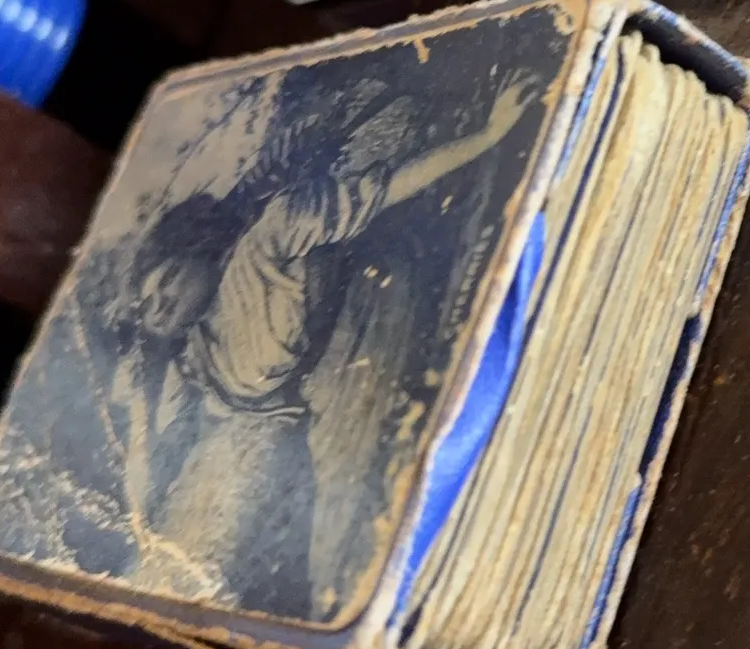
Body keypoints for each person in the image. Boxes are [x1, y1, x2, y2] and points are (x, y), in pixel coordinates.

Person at [136, 70, 541, 618]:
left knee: (347, 542)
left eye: (165, 283)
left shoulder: (271, 236)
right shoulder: (193, 348)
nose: (160, 306)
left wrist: (489, 136)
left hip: (350, 356)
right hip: (259, 437)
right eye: (150, 306)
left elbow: (386, 187)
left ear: (195, 251)